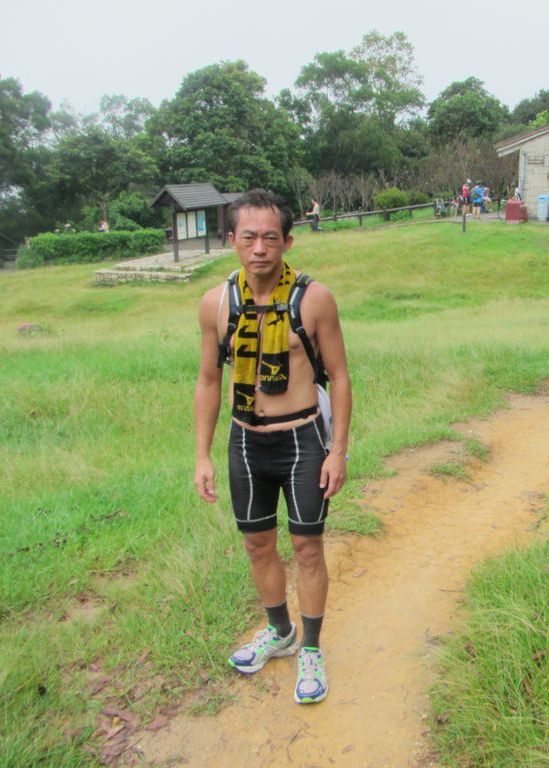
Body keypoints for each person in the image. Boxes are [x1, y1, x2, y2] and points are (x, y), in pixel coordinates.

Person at [194, 189, 352, 705]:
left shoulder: (314, 299)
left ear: (287, 240)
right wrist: (202, 455)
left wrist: (337, 451)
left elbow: (340, 376)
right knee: (257, 544)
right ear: (232, 240)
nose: (259, 248)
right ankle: (279, 631)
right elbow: (208, 380)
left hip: (303, 440)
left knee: (307, 546)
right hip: (245, 442)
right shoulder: (217, 304)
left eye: (270, 237)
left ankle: (311, 647)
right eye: (248, 237)